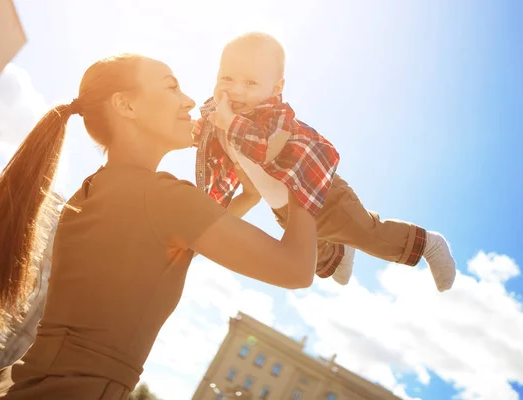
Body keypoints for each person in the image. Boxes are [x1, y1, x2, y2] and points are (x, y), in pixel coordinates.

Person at [0, 53, 317, 400]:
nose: (190, 100)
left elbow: (161, 257)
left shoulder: (97, 188)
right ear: (125, 105)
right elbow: (297, 269)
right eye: (171, 87)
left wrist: (248, 199)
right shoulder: (163, 197)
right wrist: (302, 168)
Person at [193, 32, 456, 291]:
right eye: (227, 77)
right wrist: (198, 134)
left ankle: (428, 243)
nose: (236, 89)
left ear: (275, 89)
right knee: (316, 254)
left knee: (369, 235)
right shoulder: (218, 114)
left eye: (250, 83)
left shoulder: (275, 115)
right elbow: (213, 143)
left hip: (321, 191)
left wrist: (229, 122)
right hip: (285, 205)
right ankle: (339, 253)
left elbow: (267, 149)